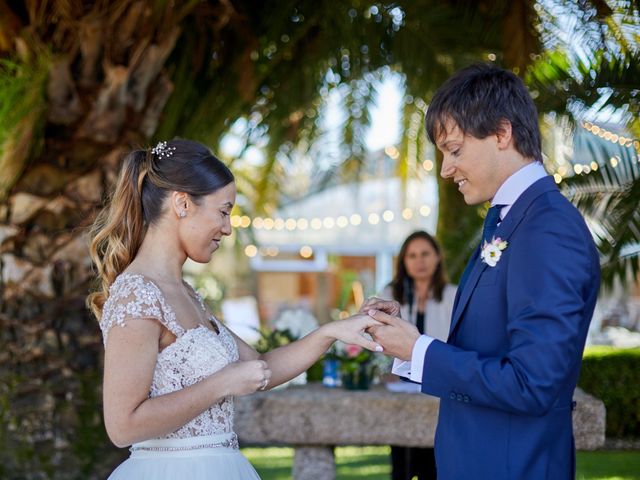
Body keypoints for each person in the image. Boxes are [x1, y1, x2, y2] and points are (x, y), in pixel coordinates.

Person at [87, 139, 381, 480]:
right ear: (182, 204)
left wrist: (331, 332)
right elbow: (122, 426)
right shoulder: (136, 294)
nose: (227, 228)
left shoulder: (186, 293)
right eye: (224, 211)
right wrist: (222, 383)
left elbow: (260, 368)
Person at [362, 64, 600, 479]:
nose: (445, 169)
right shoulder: (509, 221)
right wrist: (408, 341)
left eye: (454, 150)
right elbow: (490, 348)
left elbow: (532, 382)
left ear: (502, 134)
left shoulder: (547, 226)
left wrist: (419, 351)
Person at [379, 231, 456, 480]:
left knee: (434, 462)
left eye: (425, 254)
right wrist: (384, 373)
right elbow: (377, 338)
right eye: (412, 255)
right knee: (401, 462)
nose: (419, 261)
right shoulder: (390, 293)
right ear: (403, 261)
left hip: (439, 387)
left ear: (437, 257)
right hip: (399, 391)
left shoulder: (453, 295)